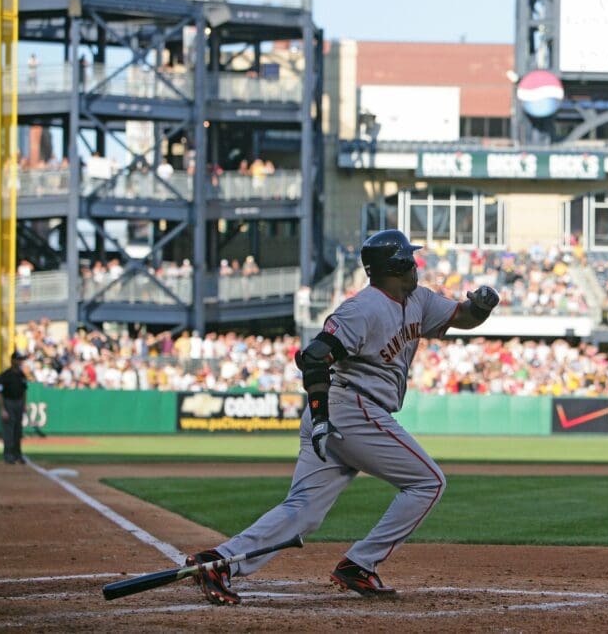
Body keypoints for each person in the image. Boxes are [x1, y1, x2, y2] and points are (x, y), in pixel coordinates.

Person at [185, 229, 500, 604]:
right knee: (428, 481)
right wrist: (320, 417)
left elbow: (463, 317)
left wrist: (482, 306)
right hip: (349, 408)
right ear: (397, 265)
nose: (416, 264)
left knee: (302, 510)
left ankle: (219, 563)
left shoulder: (418, 300)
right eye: (410, 258)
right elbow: (315, 357)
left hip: (347, 413)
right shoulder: (361, 308)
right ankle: (360, 564)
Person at [0, 351, 29, 464]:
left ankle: (17, 454)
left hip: (19, 403)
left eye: (21, 359)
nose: (20, 361)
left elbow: (24, 390)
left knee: (18, 431)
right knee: (8, 431)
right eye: (18, 359)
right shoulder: (5, 375)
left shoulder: (21, 375)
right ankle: (8, 455)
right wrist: (2, 409)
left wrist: (24, 404)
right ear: (13, 360)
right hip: (8, 403)